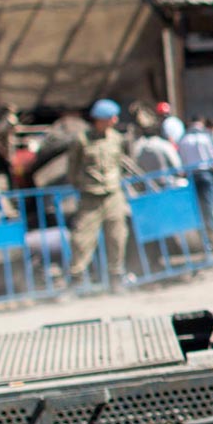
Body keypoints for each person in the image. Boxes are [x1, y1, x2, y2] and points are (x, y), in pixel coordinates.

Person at [59, 98, 133, 287]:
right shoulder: (82, 140)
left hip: (113, 194)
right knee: (82, 238)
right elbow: (72, 168)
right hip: (90, 196)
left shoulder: (117, 139)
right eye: (110, 118)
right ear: (100, 119)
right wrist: (80, 185)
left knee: (117, 236)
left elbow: (122, 163)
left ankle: (116, 276)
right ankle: (77, 278)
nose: (114, 121)